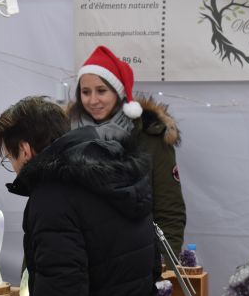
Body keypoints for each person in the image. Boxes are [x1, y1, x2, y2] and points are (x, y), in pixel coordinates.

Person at [0, 96, 159, 296]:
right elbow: (151, 271)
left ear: (24, 149)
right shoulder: (119, 177)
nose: (14, 168)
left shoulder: (53, 197)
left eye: (9, 158)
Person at [68, 45, 187, 256]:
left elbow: (169, 212)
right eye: (86, 92)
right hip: (80, 258)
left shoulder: (151, 138)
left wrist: (163, 264)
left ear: (118, 92)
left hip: (136, 260)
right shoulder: (66, 136)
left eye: (101, 91)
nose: (93, 100)